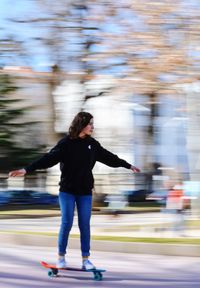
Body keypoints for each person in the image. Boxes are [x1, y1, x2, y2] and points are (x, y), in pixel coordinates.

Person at [9, 112, 140, 270]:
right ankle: (61, 258)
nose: (92, 127)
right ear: (81, 124)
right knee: (67, 222)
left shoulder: (93, 144)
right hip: (67, 190)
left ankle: (86, 260)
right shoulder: (66, 143)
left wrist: (128, 165)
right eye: (90, 124)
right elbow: (48, 159)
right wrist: (27, 169)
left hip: (85, 191)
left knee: (85, 224)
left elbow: (109, 157)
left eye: (93, 124)